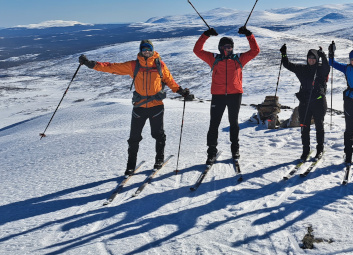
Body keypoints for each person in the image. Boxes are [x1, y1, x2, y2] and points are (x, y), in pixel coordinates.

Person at [78, 40, 193, 175]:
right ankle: (130, 166)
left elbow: (169, 81)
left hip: (156, 106)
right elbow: (112, 67)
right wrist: (91, 64)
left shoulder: (160, 65)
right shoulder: (134, 65)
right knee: (134, 138)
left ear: (153, 50)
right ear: (140, 51)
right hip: (139, 107)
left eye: (149, 49)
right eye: (144, 50)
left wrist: (181, 92)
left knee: (158, 134)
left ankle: (159, 160)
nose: (146, 52)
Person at [193, 26, 259, 164]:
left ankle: (235, 149)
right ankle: (211, 152)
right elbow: (197, 50)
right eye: (226, 47)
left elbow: (255, 51)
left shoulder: (239, 59)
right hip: (218, 95)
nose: (229, 49)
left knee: (233, 123)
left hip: (235, 95)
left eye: (230, 47)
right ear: (220, 47)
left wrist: (249, 35)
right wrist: (206, 35)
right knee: (214, 124)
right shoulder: (214, 58)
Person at [280, 44, 330, 160]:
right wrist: (283, 54)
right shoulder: (302, 69)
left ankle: (320, 150)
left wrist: (323, 56)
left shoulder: (320, 69)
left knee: (319, 126)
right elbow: (288, 65)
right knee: (304, 127)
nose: (311, 60)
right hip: (305, 103)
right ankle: (305, 151)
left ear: (317, 59)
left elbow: (327, 68)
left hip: (319, 102)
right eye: (309, 58)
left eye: (314, 58)